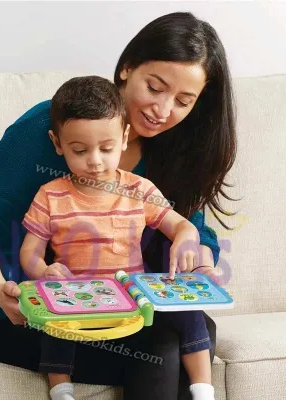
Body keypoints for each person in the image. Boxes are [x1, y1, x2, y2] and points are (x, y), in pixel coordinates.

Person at [0, 11, 236, 400]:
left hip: (114, 308)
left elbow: (192, 230)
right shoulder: (52, 126)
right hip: (18, 315)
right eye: (154, 87)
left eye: (183, 101)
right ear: (127, 68)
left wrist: (198, 267)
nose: (162, 110)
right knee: (162, 347)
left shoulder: (176, 150)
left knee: (193, 329)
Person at [20, 75, 216, 400]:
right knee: (52, 316)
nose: (95, 161)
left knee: (190, 312)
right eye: (80, 150)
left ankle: (204, 389)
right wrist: (43, 271)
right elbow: (30, 253)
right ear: (58, 143)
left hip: (133, 300)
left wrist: (186, 237)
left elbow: (181, 225)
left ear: (124, 138)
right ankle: (61, 388)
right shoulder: (50, 196)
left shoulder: (139, 189)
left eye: (106, 148)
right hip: (80, 299)